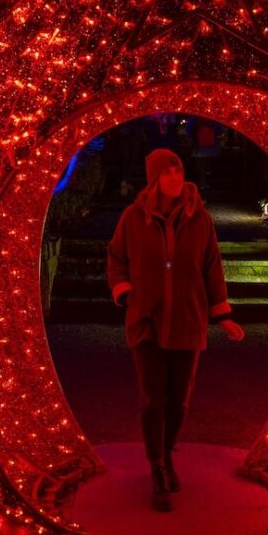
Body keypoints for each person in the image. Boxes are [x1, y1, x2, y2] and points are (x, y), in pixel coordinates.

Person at [107, 148, 245, 512]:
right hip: (146, 321)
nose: (175, 178)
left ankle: (166, 456)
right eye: (167, 173)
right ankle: (157, 469)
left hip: (187, 319)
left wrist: (223, 315)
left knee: (179, 402)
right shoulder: (133, 218)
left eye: (178, 170)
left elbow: (212, 267)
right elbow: (116, 258)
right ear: (154, 179)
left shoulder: (200, 219)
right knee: (152, 400)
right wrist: (125, 292)